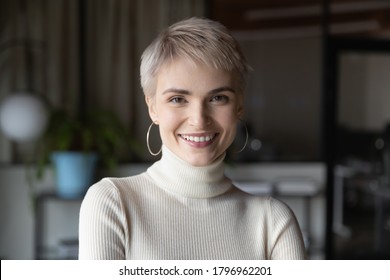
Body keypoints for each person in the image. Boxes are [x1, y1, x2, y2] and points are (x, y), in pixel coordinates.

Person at [78, 17, 306, 260]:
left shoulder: (273, 222)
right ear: (153, 107)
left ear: (239, 105)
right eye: (178, 99)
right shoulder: (113, 203)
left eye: (218, 98)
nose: (199, 119)